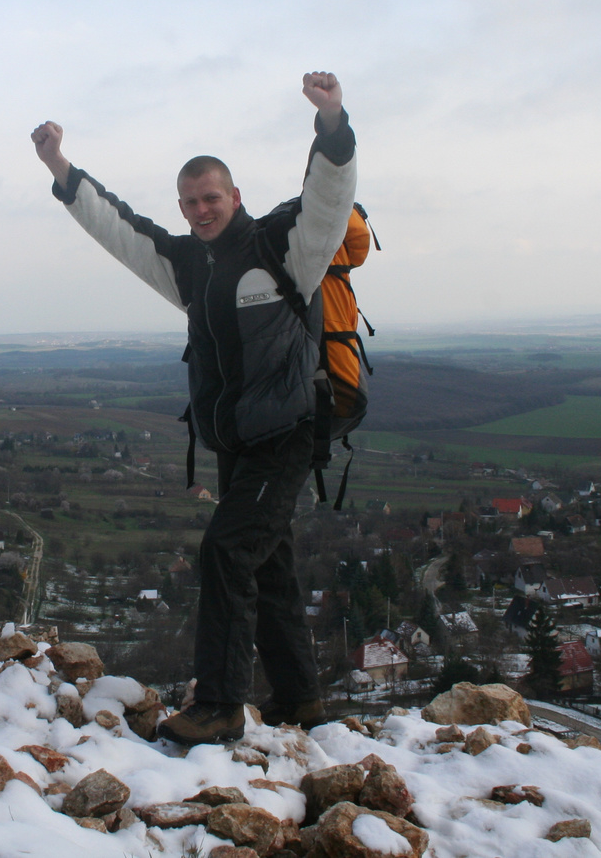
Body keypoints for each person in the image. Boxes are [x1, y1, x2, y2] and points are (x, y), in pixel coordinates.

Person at [30, 72, 357, 744]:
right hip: (237, 445)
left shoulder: (283, 247)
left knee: (227, 553)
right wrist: (61, 168)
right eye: (189, 201)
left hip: (289, 432)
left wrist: (331, 122)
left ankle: (220, 704)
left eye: (210, 197)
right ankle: (301, 701)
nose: (200, 210)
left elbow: (328, 198)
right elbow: (121, 231)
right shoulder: (191, 266)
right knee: (269, 567)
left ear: (235, 195)